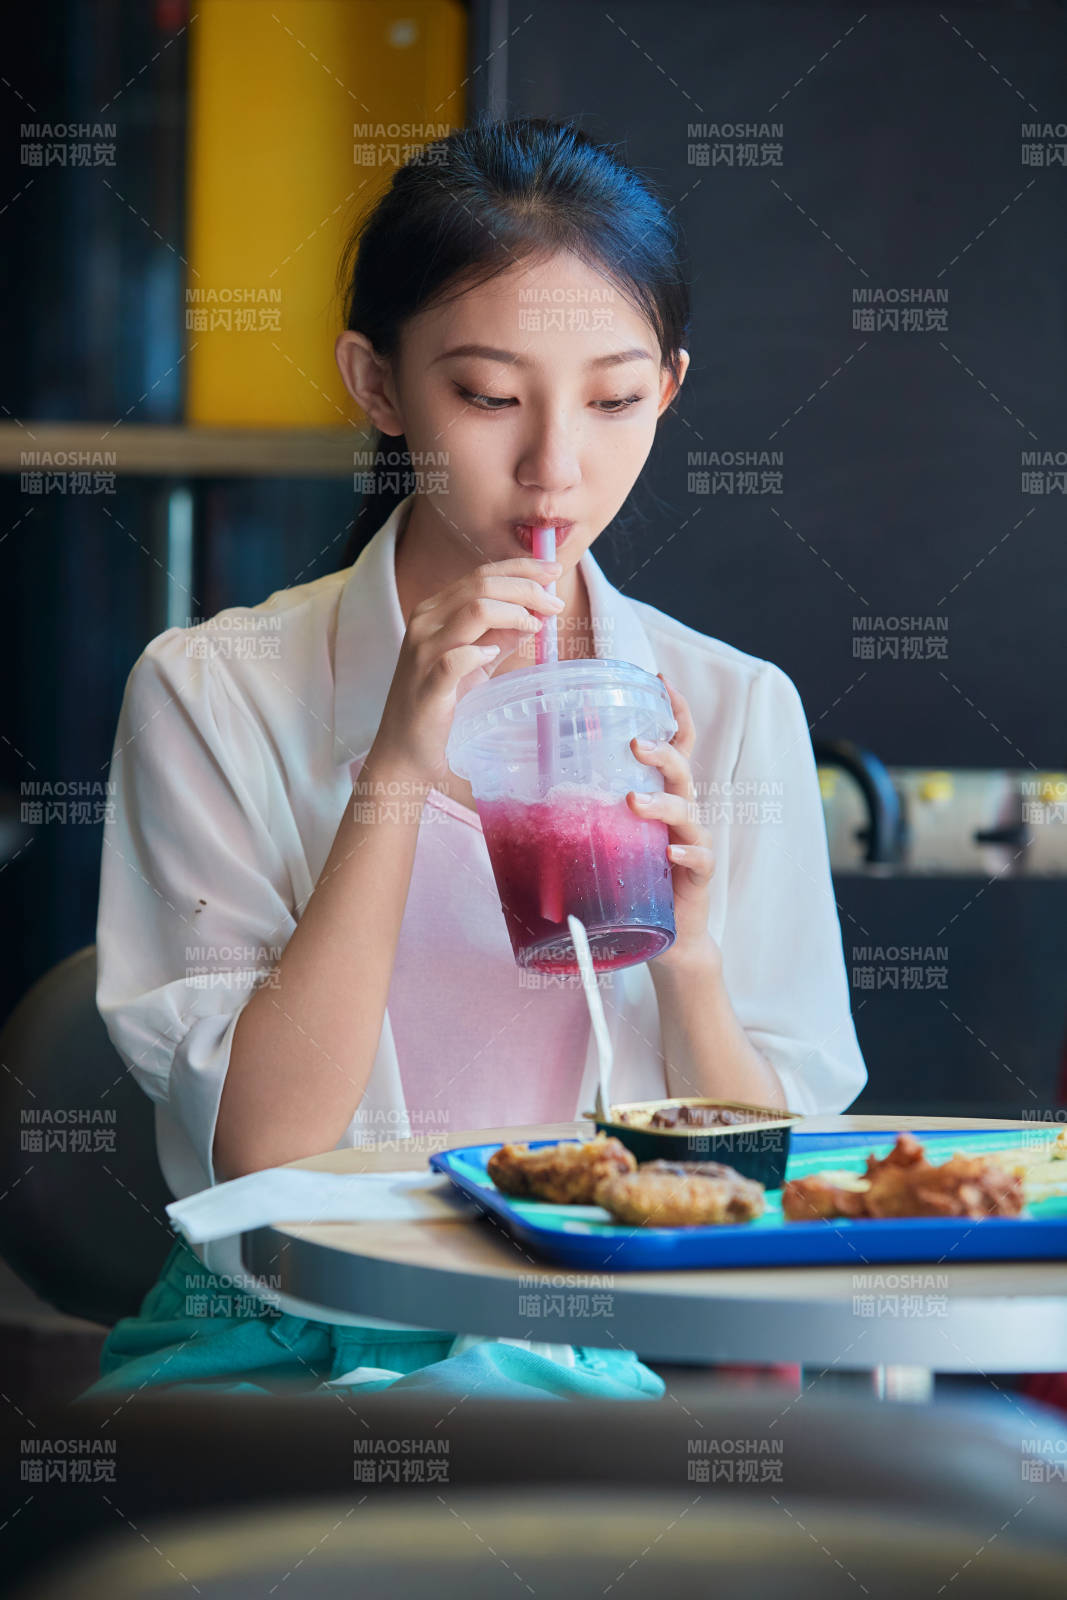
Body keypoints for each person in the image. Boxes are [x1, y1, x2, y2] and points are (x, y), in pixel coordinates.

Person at [75, 115, 866, 1403]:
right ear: (379, 384)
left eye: (613, 401)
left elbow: (755, 1191)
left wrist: (690, 959)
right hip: (270, 1342)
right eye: (490, 397)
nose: (556, 467)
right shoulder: (211, 692)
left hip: (563, 1355)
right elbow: (265, 1151)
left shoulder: (731, 711)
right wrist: (396, 761)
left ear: (667, 391)